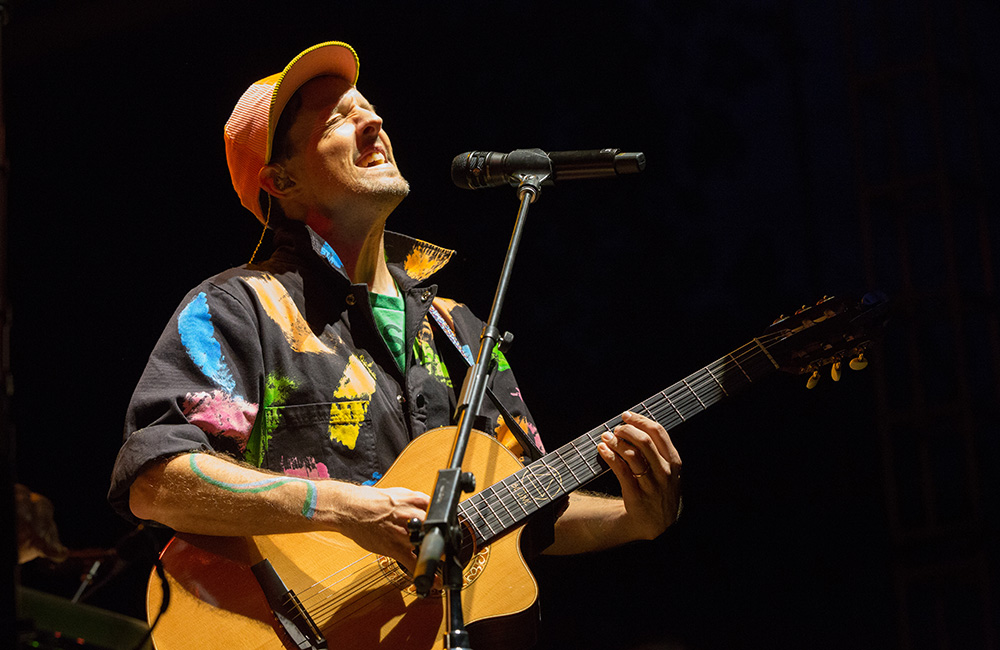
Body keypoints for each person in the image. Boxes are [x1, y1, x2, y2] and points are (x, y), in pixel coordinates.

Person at [108, 40, 682, 645]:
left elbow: (528, 511)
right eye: (337, 117)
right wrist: (347, 508)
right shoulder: (239, 310)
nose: (373, 121)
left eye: (367, 106)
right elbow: (156, 478)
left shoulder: (460, 330)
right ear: (281, 179)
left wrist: (630, 519)